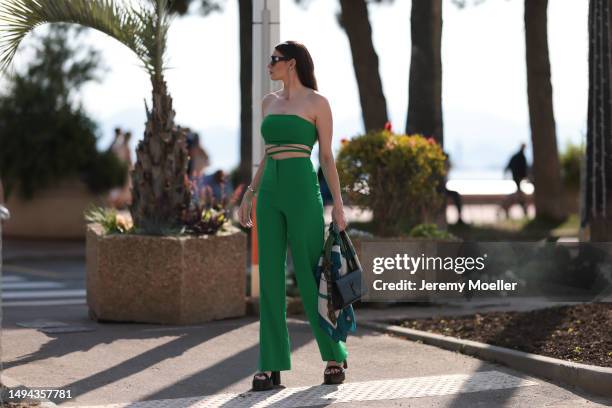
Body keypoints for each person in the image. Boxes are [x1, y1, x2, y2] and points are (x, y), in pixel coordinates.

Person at [238, 41, 350, 391]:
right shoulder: (268, 103)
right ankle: (270, 365)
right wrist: (250, 193)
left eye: (274, 60)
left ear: (292, 64)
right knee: (269, 279)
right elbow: (267, 156)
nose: (269, 65)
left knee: (311, 275)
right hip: (269, 194)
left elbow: (327, 158)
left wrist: (340, 205)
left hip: (304, 192)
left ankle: (334, 355)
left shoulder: (318, 103)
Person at [504, 143, 529, 215]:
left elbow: (509, 165)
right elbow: (523, 168)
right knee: (519, 192)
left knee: (519, 191)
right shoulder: (520, 156)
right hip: (518, 177)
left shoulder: (518, 156)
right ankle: (522, 205)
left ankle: (522, 205)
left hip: (517, 177)